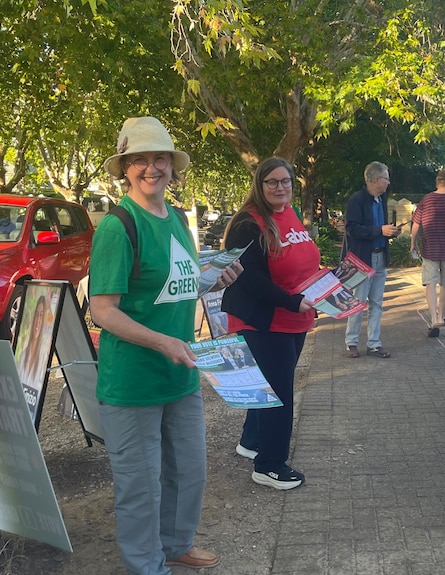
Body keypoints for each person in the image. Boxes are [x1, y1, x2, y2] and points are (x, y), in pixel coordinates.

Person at [89, 116, 241, 574]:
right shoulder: (118, 227)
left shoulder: (176, 217)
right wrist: (163, 343)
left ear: (173, 167)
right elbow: (102, 310)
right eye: (140, 160)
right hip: (134, 382)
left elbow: (178, 284)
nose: (151, 169)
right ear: (125, 168)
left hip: (180, 373)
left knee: (189, 472)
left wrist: (214, 280)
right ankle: (146, 565)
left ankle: (176, 544)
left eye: (160, 159)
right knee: (141, 486)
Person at [221, 156, 317, 491]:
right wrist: (292, 301)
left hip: (296, 316)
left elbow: (303, 261)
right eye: (272, 182)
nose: (280, 187)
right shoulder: (248, 223)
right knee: (279, 393)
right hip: (265, 320)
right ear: (260, 185)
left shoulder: (289, 213)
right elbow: (250, 280)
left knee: (270, 386)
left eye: (286, 181)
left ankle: (251, 442)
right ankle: (269, 465)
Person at [342, 161, 401, 358]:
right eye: (386, 178)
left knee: (377, 303)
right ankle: (351, 342)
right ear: (376, 180)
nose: (388, 183)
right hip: (362, 260)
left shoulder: (381, 199)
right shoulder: (357, 200)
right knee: (358, 301)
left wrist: (390, 232)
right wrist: (379, 230)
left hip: (380, 256)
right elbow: (352, 229)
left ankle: (374, 343)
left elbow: (380, 228)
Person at [410, 168, 445, 337]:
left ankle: (433, 319)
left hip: (429, 249)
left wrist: (413, 243)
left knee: (430, 283)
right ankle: (441, 316)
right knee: (444, 283)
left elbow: (416, 225)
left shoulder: (426, 200)